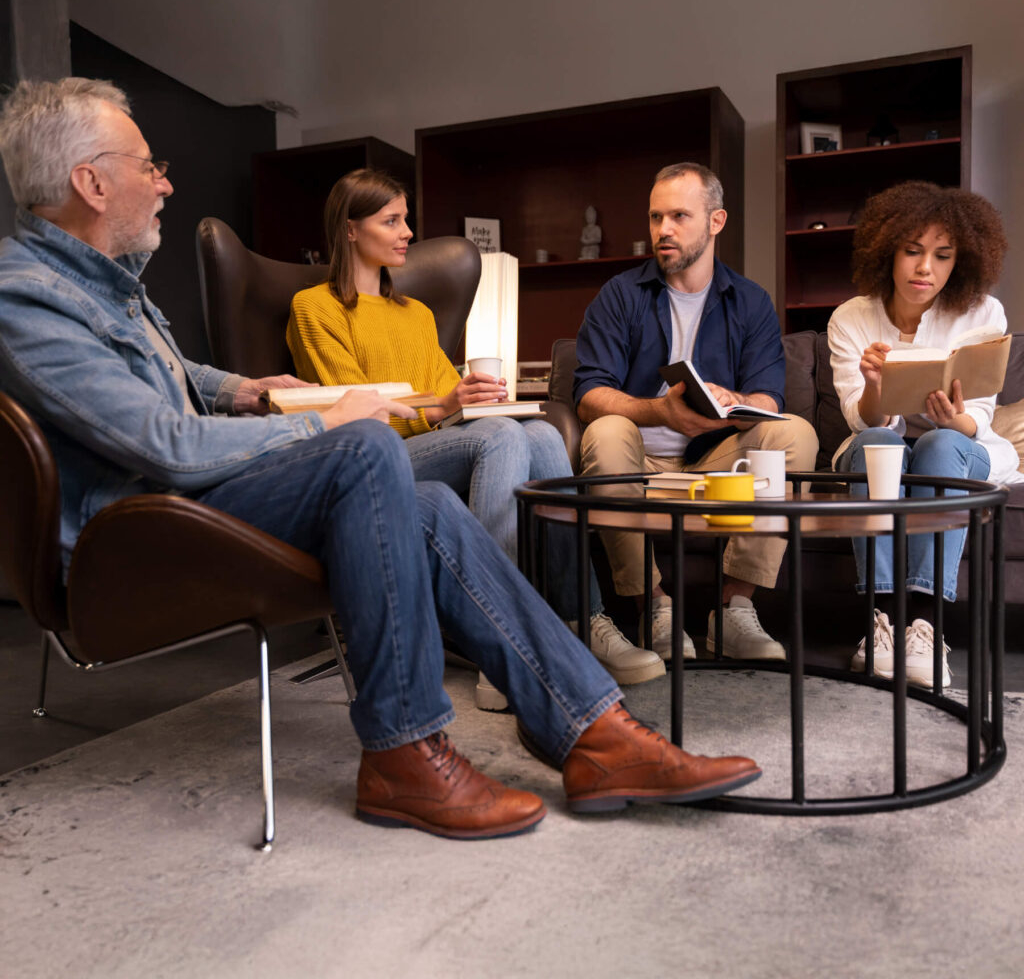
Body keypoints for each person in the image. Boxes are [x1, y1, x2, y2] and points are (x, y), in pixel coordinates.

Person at [0, 77, 762, 840]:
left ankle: (595, 734)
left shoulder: (107, 287)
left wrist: (248, 390)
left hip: (184, 505)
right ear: (90, 183)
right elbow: (162, 444)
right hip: (133, 538)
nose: (164, 180)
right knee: (364, 449)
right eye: (146, 164)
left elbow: (172, 378)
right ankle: (403, 753)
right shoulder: (25, 296)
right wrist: (322, 420)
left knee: (429, 502)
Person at [286, 168, 663, 695]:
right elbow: (359, 414)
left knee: (541, 435)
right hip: (373, 459)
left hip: (430, 444)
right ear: (350, 230)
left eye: (406, 220)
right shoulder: (315, 308)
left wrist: (480, 397)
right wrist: (442, 408)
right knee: (502, 438)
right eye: (391, 220)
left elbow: (447, 392)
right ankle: (499, 640)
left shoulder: (414, 313)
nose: (407, 233)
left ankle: (583, 621)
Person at [574, 162, 819, 661]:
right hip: (638, 459)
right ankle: (654, 608)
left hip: (716, 459)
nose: (663, 230)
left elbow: (771, 397)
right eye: (655, 217)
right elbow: (588, 394)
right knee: (606, 430)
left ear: (716, 221)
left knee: (796, 435)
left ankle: (733, 610)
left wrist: (736, 403)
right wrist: (660, 412)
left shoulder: (750, 302)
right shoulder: (619, 295)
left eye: (679, 216)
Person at [827, 180, 1019, 688]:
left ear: (962, 261)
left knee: (939, 443)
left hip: (956, 446)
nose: (924, 268)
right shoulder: (850, 317)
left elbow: (977, 415)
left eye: (942, 255)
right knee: (879, 444)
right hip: (881, 441)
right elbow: (860, 418)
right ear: (886, 250)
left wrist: (952, 418)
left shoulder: (982, 311)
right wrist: (874, 388)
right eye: (912, 251)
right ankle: (881, 620)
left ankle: (926, 626)